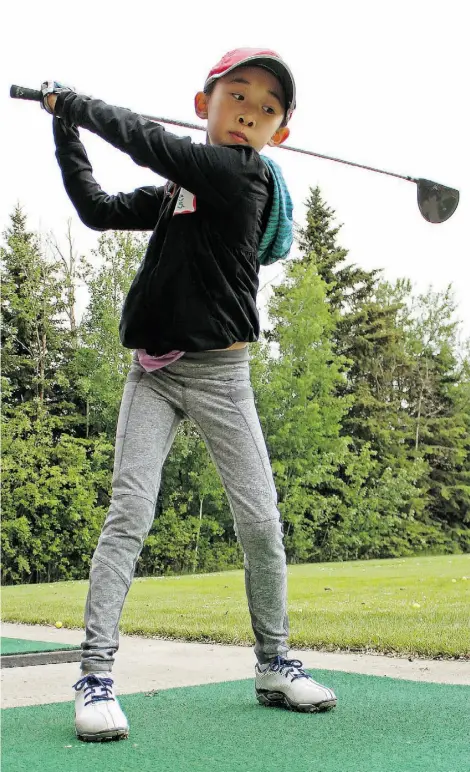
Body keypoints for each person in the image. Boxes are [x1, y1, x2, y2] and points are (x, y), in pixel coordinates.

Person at [42, 47, 337, 743]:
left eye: (267, 110)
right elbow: (95, 208)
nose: (250, 115)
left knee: (260, 521)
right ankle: (95, 675)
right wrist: (66, 132)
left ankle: (274, 661)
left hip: (220, 377)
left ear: (278, 135)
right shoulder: (181, 193)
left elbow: (150, 143)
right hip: (152, 372)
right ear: (206, 103)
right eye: (238, 98)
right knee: (128, 515)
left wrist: (76, 101)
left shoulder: (244, 176)